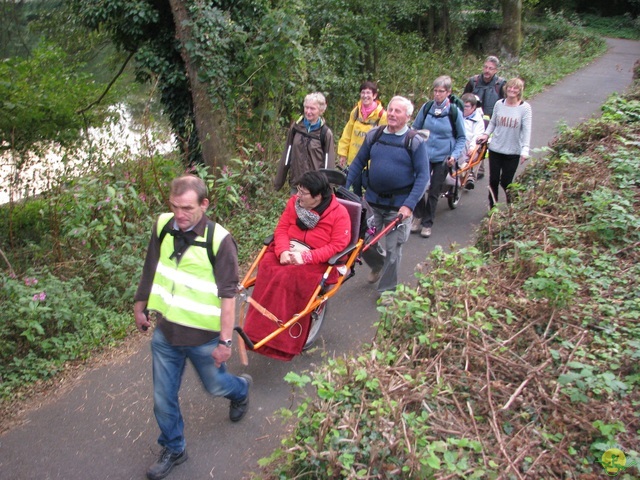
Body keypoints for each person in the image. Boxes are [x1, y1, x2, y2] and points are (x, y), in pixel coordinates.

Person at [133, 175, 251, 480]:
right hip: (167, 333)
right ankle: (174, 447)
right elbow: (151, 265)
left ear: (204, 204)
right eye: (175, 207)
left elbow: (229, 297)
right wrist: (140, 303)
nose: (180, 215)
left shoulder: (220, 240)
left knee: (216, 386)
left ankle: (241, 389)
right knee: (163, 397)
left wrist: (225, 343)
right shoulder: (163, 226)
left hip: (204, 338)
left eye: (187, 208)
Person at [243, 170, 351, 360]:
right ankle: (257, 329)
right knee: (268, 267)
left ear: (318, 196)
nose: (297, 196)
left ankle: (282, 340)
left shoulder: (339, 214)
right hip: (289, 248)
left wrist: (305, 257)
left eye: (303, 193)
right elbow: (283, 228)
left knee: (289, 277)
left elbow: (336, 246)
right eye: (298, 190)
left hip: (316, 259)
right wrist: (283, 251)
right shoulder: (294, 203)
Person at [345, 96, 430, 299]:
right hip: (373, 201)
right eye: (390, 110)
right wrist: (342, 187)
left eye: (397, 111)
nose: (391, 114)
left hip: (399, 207)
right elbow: (357, 163)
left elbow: (423, 176)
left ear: (407, 116)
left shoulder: (414, 142)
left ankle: (387, 291)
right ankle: (377, 264)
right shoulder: (374, 135)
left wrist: (409, 206)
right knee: (363, 242)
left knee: (393, 248)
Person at [411, 76, 466, 238]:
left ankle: (427, 223)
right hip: (424, 154)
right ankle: (418, 216)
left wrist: (454, 155)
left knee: (435, 190)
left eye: (441, 91)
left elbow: (461, 137)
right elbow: (415, 127)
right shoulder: (427, 108)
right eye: (435, 91)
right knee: (419, 186)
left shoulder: (454, 112)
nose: (437, 94)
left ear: (448, 92)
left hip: (443, 157)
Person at [476, 78, 532, 209]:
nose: (512, 90)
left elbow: (526, 130)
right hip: (496, 148)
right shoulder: (499, 104)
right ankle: (493, 207)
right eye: (510, 87)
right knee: (493, 180)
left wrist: (525, 149)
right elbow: (493, 123)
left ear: (520, 91)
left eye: (515, 88)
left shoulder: (525, 108)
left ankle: (511, 206)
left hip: (513, 151)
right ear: (506, 89)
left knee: (506, 182)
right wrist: (485, 134)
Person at [274, 92, 336, 192]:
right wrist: (278, 183)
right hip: (296, 185)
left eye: (312, 108)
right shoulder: (296, 128)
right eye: (306, 107)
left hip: (315, 189)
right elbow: (286, 156)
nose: (308, 111)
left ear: (321, 110)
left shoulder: (325, 133)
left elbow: (329, 164)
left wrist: (328, 191)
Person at [338, 81, 388, 195]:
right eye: (363, 92)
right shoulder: (355, 111)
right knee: (354, 193)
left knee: (369, 193)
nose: (365, 96)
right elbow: (347, 133)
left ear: (374, 95)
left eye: (368, 93)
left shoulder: (382, 116)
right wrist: (342, 154)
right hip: (354, 160)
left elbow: (384, 141)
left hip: (371, 164)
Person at [463, 55, 506, 179]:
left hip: (492, 121)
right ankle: (472, 169)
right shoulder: (473, 81)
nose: (487, 71)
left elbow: (504, 103)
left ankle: (477, 168)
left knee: (484, 145)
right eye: (486, 67)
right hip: (473, 118)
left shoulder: (501, 84)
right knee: (471, 143)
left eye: (491, 68)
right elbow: (464, 98)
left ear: (496, 70)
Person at [460, 92, 486, 190]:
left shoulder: (478, 120)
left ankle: (469, 174)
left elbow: (477, 136)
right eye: (462, 106)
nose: (464, 109)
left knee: (471, 153)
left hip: (469, 142)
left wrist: (472, 147)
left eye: (466, 106)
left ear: (474, 107)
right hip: (457, 141)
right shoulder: (457, 115)